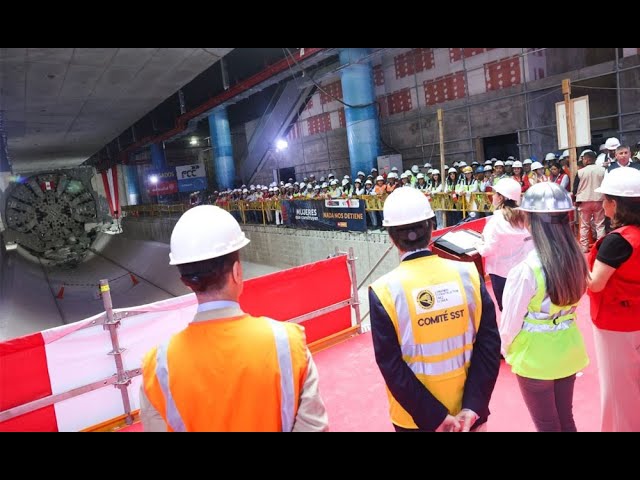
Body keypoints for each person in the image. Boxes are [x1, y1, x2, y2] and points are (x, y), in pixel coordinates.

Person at [140, 205, 329, 432]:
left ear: (185, 281)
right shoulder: (288, 343)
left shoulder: (158, 366)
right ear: (238, 271)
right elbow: (314, 428)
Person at [369, 187, 501, 432]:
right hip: (468, 415)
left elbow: (390, 365)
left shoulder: (383, 291)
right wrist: (473, 406)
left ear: (390, 236)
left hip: (415, 419)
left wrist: (434, 416)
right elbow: (490, 345)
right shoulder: (469, 274)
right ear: (432, 226)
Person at [500, 182, 589, 432]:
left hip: (535, 357)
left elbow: (510, 323)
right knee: (565, 419)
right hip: (567, 348)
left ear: (531, 220)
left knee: (547, 425)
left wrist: (507, 349)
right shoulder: (577, 258)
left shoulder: (526, 270)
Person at [587, 167, 640, 432]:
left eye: (605, 199)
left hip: (616, 324)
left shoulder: (617, 241)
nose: (602, 204)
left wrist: (573, 263)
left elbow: (595, 284)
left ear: (616, 203)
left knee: (619, 391)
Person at [475, 178, 533, 311]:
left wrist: (477, 244)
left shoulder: (496, 220)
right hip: (525, 272)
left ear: (501, 198)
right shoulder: (526, 216)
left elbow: (486, 250)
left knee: (507, 311)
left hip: (501, 274)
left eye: (495, 193)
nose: (493, 196)